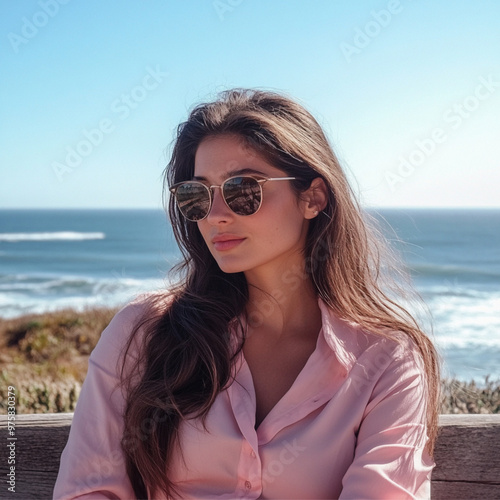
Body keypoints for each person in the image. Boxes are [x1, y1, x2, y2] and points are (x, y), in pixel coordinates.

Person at [54, 89, 440, 499]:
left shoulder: (385, 361)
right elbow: (89, 490)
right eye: (196, 195)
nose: (217, 215)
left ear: (313, 197)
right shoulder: (145, 332)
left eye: (242, 190)